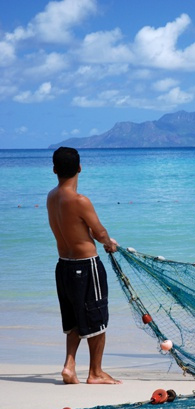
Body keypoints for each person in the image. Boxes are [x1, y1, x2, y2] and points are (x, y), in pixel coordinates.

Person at [46, 147, 121, 385]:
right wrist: (109, 243)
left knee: (75, 319)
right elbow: (98, 232)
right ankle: (95, 373)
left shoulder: (51, 196)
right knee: (97, 318)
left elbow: (75, 228)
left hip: (63, 266)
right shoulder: (80, 200)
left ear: (55, 170)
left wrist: (100, 238)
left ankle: (69, 366)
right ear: (80, 168)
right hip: (86, 266)